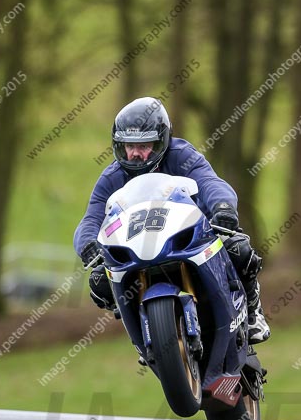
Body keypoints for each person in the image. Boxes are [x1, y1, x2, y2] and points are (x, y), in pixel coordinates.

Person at [73, 97, 270, 343]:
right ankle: (146, 331)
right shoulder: (112, 176)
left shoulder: (182, 155)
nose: (135, 154)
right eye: (127, 145)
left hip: (192, 236)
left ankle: (253, 313)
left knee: (238, 248)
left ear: (162, 141)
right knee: (100, 282)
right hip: (138, 246)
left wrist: (223, 208)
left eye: (144, 145)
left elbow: (210, 182)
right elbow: (91, 218)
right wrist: (88, 244)